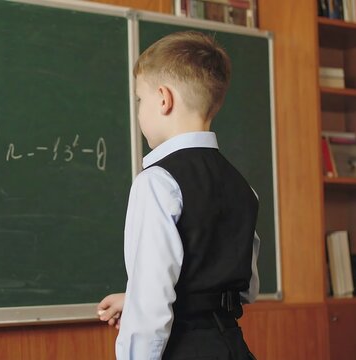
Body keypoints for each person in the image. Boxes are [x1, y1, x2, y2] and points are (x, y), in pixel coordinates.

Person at [97, 31, 260, 360]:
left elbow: (152, 307)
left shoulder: (158, 182)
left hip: (185, 349)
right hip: (232, 346)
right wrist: (135, 297)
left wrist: (140, 302)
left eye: (140, 100)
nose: (139, 110)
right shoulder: (242, 185)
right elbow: (244, 288)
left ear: (163, 99)